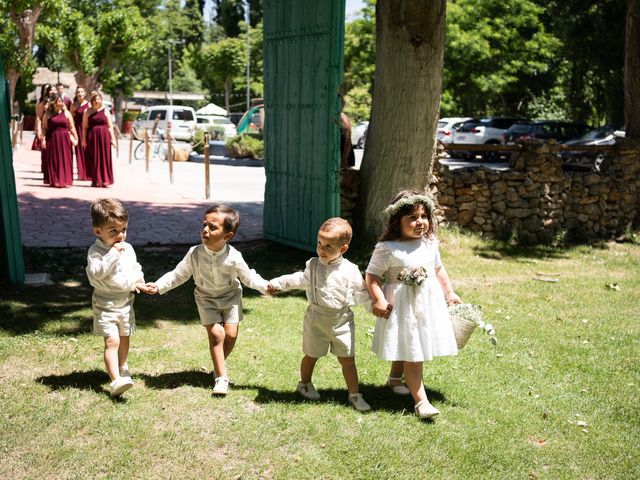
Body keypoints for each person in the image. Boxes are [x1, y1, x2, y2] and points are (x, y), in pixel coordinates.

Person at [144, 204, 270, 396]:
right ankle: (221, 377)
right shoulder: (194, 253)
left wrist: (264, 286)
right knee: (217, 335)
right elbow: (178, 274)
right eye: (204, 224)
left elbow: (248, 277)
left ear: (227, 236)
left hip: (231, 297)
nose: (205, 230)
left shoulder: (234, 256)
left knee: (231, 336)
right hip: (206, 298)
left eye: (212, 227)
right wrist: (159, 285)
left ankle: (217, 365)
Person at [365, 189, 462, 420]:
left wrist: (449, 292)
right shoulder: (388, 248)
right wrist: (378, 299)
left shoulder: (429, 244)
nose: (420, 222)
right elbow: (372, 276)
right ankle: (422, 402)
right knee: (413, 349)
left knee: (411, 342)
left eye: (423, 216)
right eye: (412, 217)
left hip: (427, 304)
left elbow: (438, 269)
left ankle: (395, 379)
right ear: (397, 220)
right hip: (402, 305)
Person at [267, 218, 372, 412]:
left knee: (347, 359)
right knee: (311, 354)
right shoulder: (313, 265)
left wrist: (376, 309)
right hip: (316, 318)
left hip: (342, 320)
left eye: (328, 245)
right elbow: (299, 279)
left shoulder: (350, 270)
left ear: (343, 249)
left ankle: (355, 394)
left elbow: (362, 293)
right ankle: (304, 384)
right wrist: (278, 283)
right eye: (319, 243)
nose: (321, 249)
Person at [86, 199, 149, 397]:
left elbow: (134, 267)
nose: (120, 235)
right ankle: (115, 381)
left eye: (123, 229)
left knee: (124, 337)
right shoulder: (96, 252)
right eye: (113, 231)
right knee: (111, 341)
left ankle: (122, 366)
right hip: (105, 304)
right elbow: (96, 274)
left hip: (125, 303)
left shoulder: (127, 248)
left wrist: (139, 281)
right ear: (98, 232)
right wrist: (112, 254)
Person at [41, 93, 78, 187]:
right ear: (53, 103)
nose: (59, 103)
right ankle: (55, 180)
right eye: (57, 101)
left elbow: (72, 127)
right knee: (53, 159)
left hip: (65, 139)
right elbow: (44, 128)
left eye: (60, 101)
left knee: (65, 159)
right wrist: (43, 139)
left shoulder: (67, 113)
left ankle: (65, 180)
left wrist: (75, 138)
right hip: (52, 138)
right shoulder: (48, 114)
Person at [83, 91, 115, 188]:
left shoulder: (105, 110)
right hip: (92, 137)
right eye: (95, 99)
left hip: (104, 137)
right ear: (92, 101)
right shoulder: (87, 111)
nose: (97, 101)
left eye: (98, 99)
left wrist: (113, 139)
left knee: (104, 158)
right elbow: (84, 127)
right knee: (93, 158)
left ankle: (105, 179)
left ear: (101, 100)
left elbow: (110, 126)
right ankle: (94, 179)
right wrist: (83, 140)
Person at [71, 86, 91, 181]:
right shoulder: (73, 105)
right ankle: (82, 174)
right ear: (76, 94)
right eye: (78, 92)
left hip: (87, 129)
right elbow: (70, 118)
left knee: (88, 151)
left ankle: (89, 173)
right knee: (79, 151)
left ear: (85, 93)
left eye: (82, 92)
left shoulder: (89, 104)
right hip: (77, 129)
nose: (80, 93)